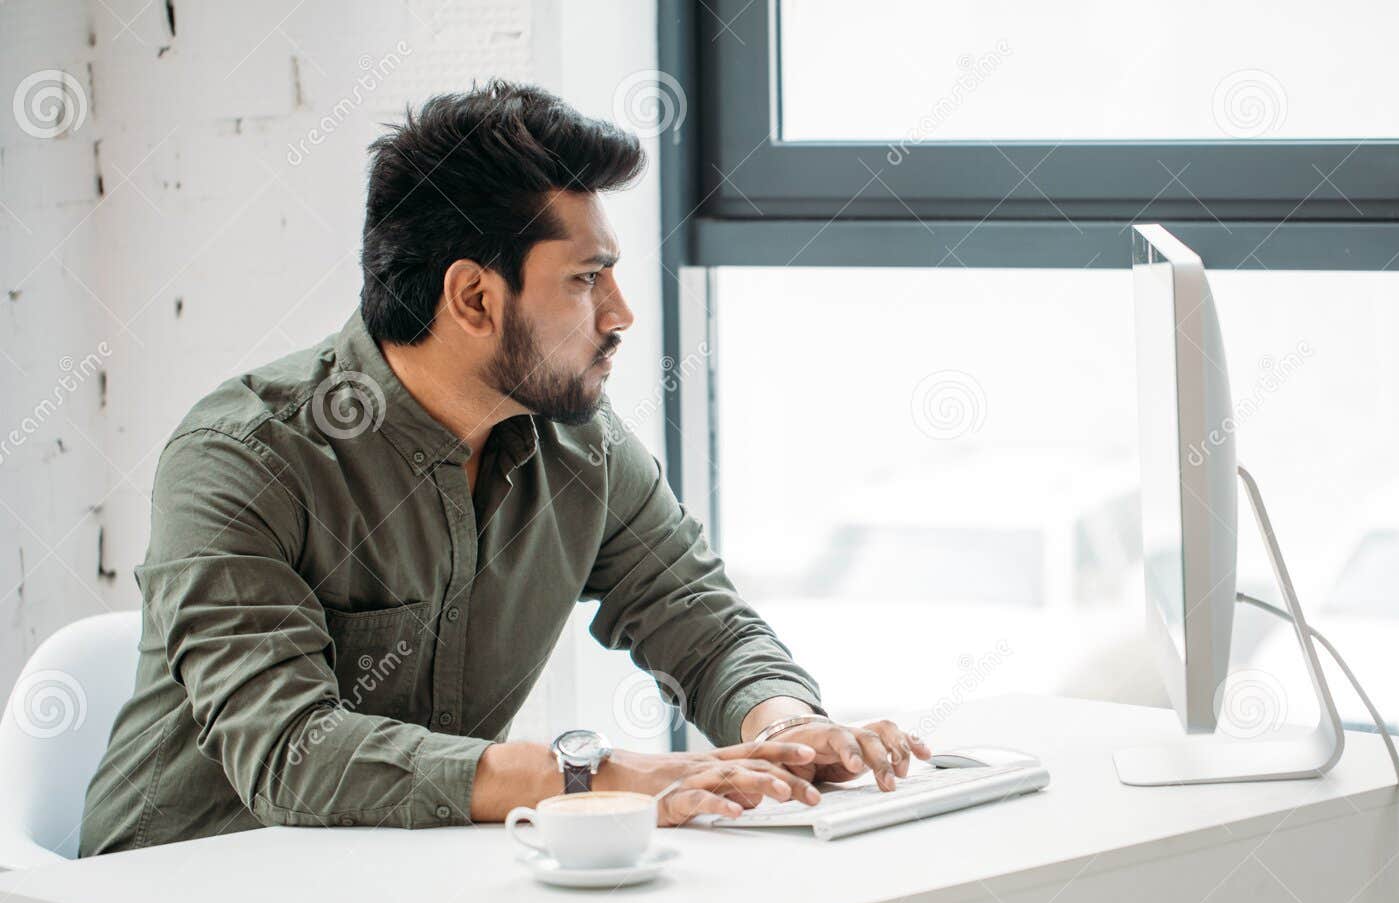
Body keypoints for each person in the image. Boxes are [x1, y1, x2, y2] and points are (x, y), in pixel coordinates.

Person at [78, 81, 928, 856]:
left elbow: (703, 625)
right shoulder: (243, 459)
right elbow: (291, 753)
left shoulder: (580, 447)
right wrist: (597, 781)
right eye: (587, 279)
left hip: (399, 897)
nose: (621, 313)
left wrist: (789, 727)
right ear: (475, 299)